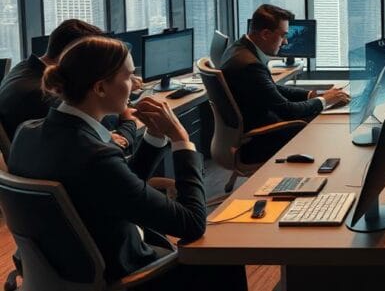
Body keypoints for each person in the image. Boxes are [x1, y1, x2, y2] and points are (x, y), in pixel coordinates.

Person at [7, 36, 247, 290]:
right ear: (100, 88)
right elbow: (191, 224)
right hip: (126, 276)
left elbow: (120, 187)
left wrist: (154, 137)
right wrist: (182, 142)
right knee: (224, 256)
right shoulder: (95, 156)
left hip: (63, 272)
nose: (136, 84)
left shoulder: (27, 133)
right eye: (129, 76)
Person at [220, 4, 349, 163]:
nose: (286, 42)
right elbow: (288, 111)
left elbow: (269, 88)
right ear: (266, 34)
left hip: (250, 131)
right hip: (259, 141)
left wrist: (312, 95)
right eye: (283, 35)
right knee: (323, 125)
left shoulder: (238, 49)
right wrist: (325, 100)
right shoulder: (249, 65)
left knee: (319, 113)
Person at [0, 19, 140, 153]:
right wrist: (128, 120)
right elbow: (108, 137)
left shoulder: (24, 67)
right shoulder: (47, 95)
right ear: (72, 54)